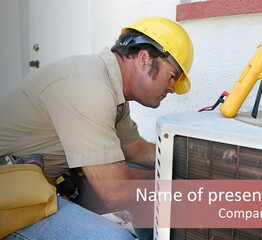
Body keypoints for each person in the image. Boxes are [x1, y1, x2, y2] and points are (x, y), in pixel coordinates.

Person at [0, 16, 194, 239]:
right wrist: (174, 182)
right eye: (172, 76)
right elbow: (115, 190)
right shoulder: (87, 87)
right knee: (116, 237)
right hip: (12, 198)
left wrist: (189, 163)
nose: (172, 88)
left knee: (149, 193)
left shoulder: (113, 91)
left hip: (43, 184)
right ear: (144, 59)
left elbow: (137, 151)